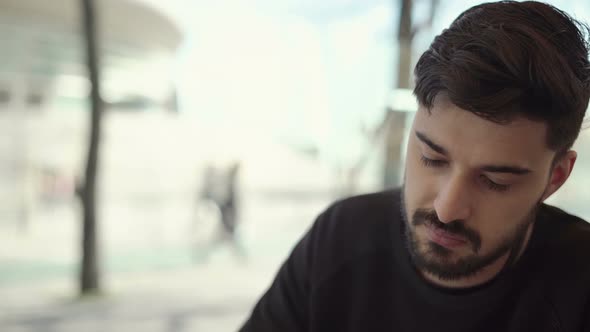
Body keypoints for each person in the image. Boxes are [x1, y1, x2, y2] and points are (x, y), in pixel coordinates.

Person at [239, 1, 590, 331]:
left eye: (494, 180)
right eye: (432, 158)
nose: (447, 208)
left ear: (555, 177)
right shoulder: (339, 241)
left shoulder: (579, 289)